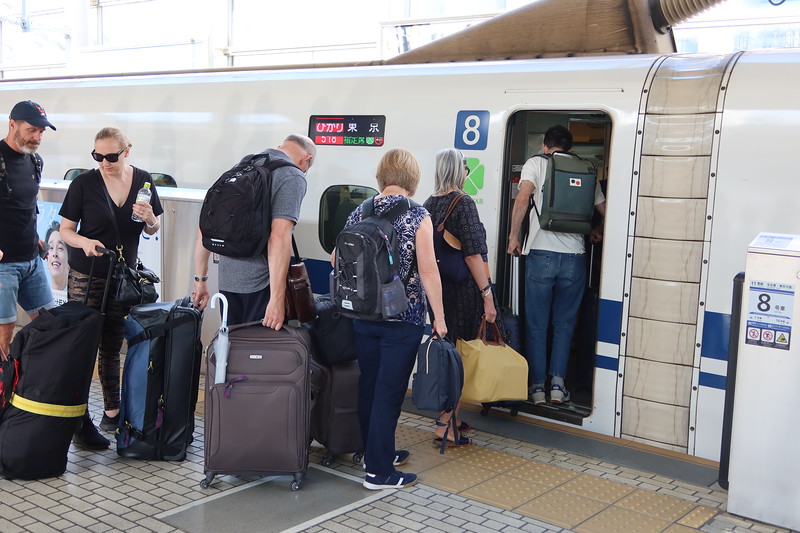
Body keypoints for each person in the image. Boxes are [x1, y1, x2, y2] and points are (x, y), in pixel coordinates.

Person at [337, 148, 447, 490]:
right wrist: (439, 318)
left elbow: (334, 260)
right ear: (413, 179)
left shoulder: (360, 210)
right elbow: (428, 271)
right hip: (403, 318)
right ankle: (379, 472)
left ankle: (376, 451)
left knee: (370, 386)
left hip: (364, 315)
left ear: (382, 175)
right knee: (389, 392)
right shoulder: (418, 216)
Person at [59, 126, 164, 449]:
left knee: (111, 345)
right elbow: (66, 230)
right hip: (86, 276)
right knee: (82, 345)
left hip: (122, 278)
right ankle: (76, 416)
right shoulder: (84, 184)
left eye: (111, 156)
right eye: (98, 156)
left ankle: (112, 411)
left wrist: (150, 219)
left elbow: (153, 227)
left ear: (126, 151)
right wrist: (84, 242)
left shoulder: (144, 181)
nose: (104, 162)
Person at [507, 125, 606, 405]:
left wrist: (514, 236)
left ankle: (537, 387)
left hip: (540, 254)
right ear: (571, 149)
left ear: (545, 146)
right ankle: (558, 386)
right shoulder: (586, 168)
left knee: (537, 325)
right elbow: (604, 210)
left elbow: (523, 198)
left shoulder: (536, 163)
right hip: (575, 258)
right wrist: (598, 231)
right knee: (564, 325)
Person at [192, 134, 315, 329]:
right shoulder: (292, 176)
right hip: (261, 285)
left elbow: (204, 229)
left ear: (280, 146)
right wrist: (276, 299)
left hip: (227, 281)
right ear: (306, 159)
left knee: (232, 348)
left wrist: (200, 280)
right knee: (259, 354)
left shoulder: (241, 167)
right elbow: (279, 237)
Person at [424, 148, 502, 446]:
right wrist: (487, 295)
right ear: (460, 172)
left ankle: (450, 416)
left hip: (440, 292)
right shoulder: (464, 203)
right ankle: (446, 424)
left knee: (448, 353)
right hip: (464, 293)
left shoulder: (430, 203)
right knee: (459, 358)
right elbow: (472, 253)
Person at [0, 100, 57, 359]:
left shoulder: (35, 161)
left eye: (41, 132)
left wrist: (35, 237)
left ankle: (30, 388)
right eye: (32, 130)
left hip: (31, 260)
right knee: (4, 335)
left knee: (49, 324)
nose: (37, 137)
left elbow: (26, 204)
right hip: (4, 266)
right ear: (12, 124)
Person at [45, 221, 69, 306]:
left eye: (60, 248)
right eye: (51, 248)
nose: (55, 254)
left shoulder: (76, 296)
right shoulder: (39, 296)